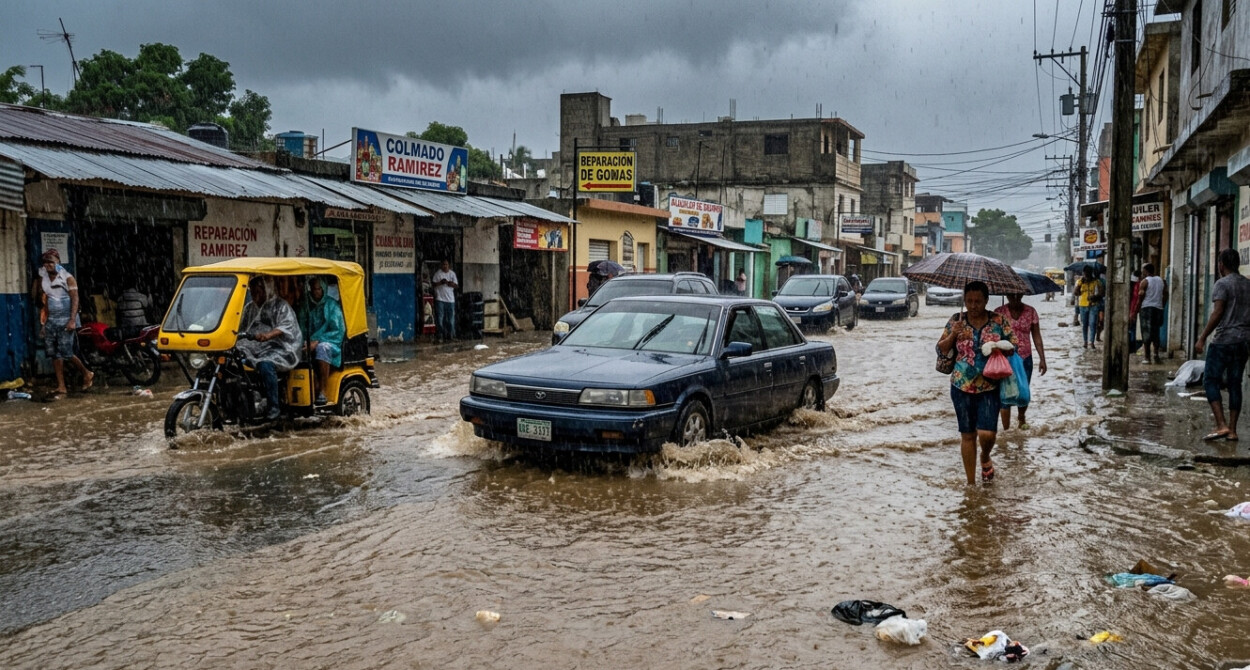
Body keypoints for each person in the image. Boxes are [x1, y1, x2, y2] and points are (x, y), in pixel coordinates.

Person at [937, 281, 1017, 486]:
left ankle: (985, 457)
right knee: (967, 434)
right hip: (961, 385)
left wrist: (1000, 347)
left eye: (978, 301)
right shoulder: (956, 320)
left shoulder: (999, 320)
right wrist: (954, 333)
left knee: (987, 433)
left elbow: (1014, 346)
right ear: (964, 300)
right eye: (969, 301)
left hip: (990, 384)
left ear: (986, 301)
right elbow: (941, 349)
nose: (973, 305)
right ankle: (971, 485)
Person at [1195, 249, 1250, 441]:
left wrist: (1202, 337)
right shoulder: (1247, 284)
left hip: (1223, 341)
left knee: (1211, 380)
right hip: (1243, 341)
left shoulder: (1222, 284)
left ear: (1220, 265)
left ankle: (1221, 425)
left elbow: (1217, 312)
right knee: (1235, 383)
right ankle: (1233, 431)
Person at [238, 277, 301, 420]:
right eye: (252, 293)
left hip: (281, 347)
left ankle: (274, 406)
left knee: (265, 364)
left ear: (266, 289)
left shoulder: (281, 306)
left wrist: (268, 335)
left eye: (258, 292)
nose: (255, 296)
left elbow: (286, 327)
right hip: (255, 346)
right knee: (235, 360)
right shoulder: (249, 308)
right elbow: (240, 327)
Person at [33, 249, 93, 397]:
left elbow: (75, 299)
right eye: (45, 262)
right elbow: (44, 300)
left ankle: (87, 373)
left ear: (58, 262)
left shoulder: (67, 278)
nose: (48, 265)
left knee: (66, 352)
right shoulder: (43, 277)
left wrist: (72, 320)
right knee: (53, 353)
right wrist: (43, 324)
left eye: (51, 262)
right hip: (51, 320)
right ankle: (61, 387)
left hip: (66, 319)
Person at [995, 293, 1046, 431]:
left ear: (1023, 295)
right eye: (1012, 296)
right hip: (1005, 359)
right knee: (1005, 392)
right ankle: (1006, 431)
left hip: (1025, 358)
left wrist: (1042, 358)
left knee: (1023, 391)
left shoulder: (1031, 312)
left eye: (1018, 296)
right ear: (1006, 296)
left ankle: (1021, 418)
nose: (1015, 299)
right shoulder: (999, 313)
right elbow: (993, 336)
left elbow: (1036, 336)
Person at [303, 277, 345, 406]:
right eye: (313, 289)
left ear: (324, 289)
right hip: (308, 342)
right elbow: (301, 325)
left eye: (319, 289)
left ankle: (323, 390)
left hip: (330, 342)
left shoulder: (332, 306)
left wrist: (318, 341)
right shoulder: (306, 305)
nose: (316, 292)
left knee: (323, 348)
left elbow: (338, 331)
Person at [1137, 262, 1168, 364]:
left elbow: (1140, 297)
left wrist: (1136, 310)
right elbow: (1165, 294)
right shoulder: (1162, 281)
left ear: (1146, 271)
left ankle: (1147, 357)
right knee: (1156, 332)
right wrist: (1162, 305)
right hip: (1158, 309)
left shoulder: (1144, 282)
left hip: (1146, 309)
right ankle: (1156, 354)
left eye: (1143, 270)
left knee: (1146, 333)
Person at [1075, 266, 1104, 349]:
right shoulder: (1080, 281)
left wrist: (1095, 297)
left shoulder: (1096, 282)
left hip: (1094, 305)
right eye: (1085, 273)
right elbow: (1076, 293)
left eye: (1087, 273)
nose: (1086, 275)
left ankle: (1091, 342)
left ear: (1091, 273)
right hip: (1083, 305)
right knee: (1084, 324)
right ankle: (1085, 342)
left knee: (1092, 323)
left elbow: (1102, 293)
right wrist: (1079, 285)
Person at [432, 260, 458, 341]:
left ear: (448, 265)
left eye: (446, 264)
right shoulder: (438, 274)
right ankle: (440, 336)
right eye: (443, 264)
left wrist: (449, 283)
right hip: (440, 299)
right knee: (440, 319)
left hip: (450, 300)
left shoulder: (452, 274)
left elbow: (456, 285)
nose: (445, 266)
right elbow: (433, 284)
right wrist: (440, 282)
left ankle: (451, 336)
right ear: (441, 265)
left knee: (451, 320)